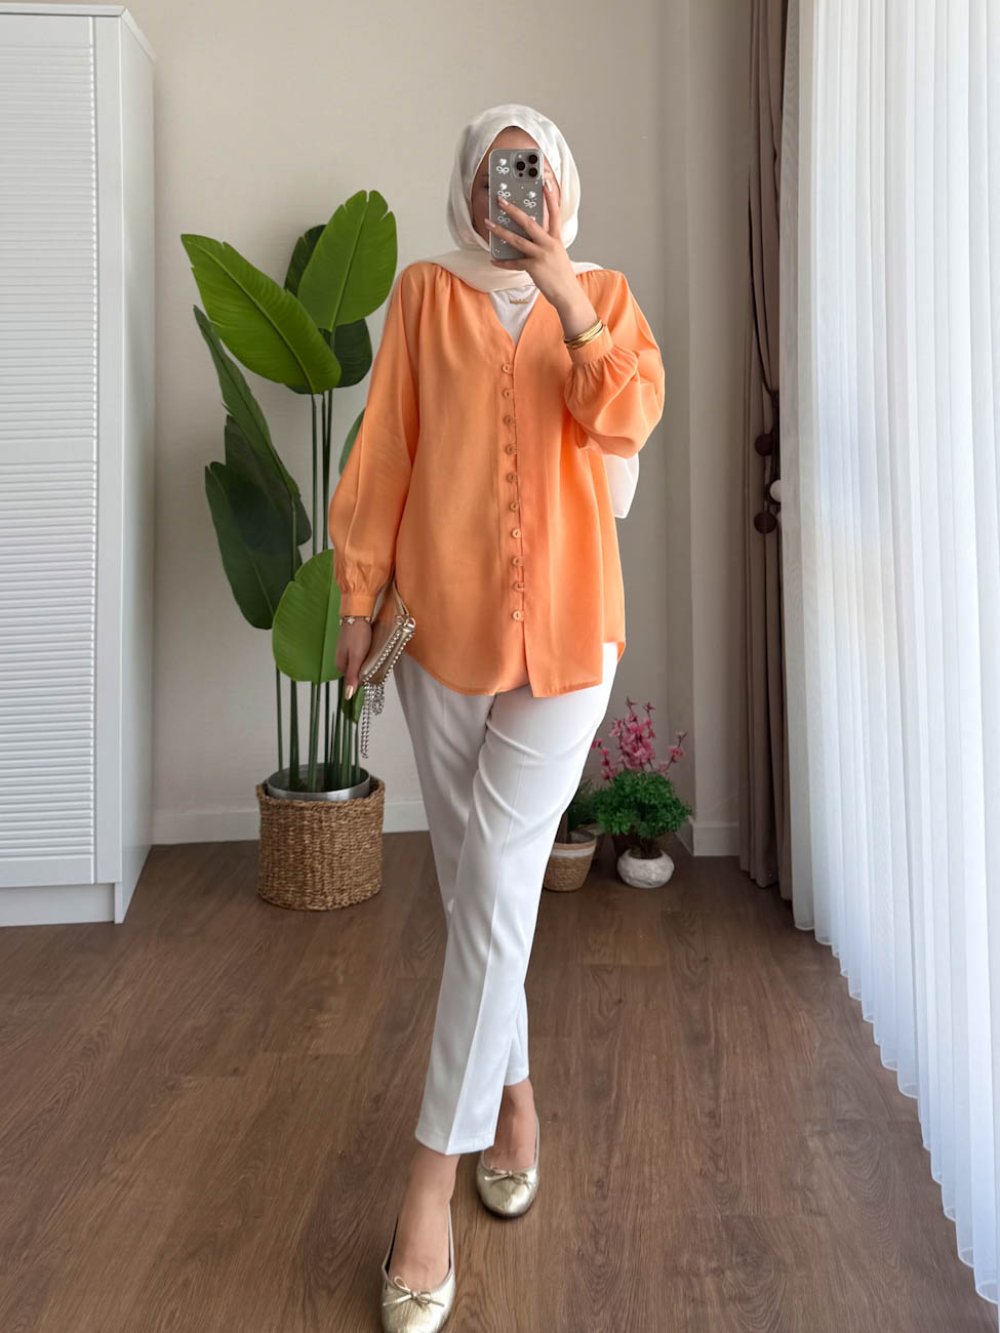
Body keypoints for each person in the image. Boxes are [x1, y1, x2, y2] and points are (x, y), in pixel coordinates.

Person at [328, 103, 665, 1331]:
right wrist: (356, 598)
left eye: (530, 172)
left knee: (499, 882)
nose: (509, 192)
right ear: (467, 191)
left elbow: (625, 416)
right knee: (479, 891)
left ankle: (426, 1182)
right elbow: (385, 453)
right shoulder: (424, 295)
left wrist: (564, 289)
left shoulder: (605, 296)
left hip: (570, 644)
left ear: (559, 186)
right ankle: (514, 1098)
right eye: (492, 173)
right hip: (443, 637)